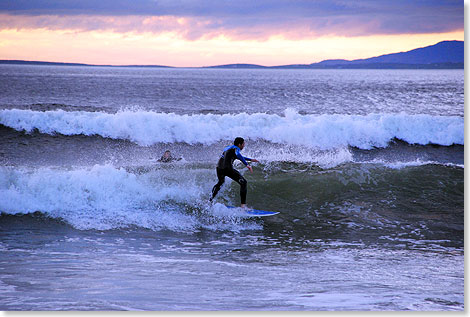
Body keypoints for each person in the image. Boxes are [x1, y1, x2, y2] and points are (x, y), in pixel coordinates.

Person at [210, 137, 259, 208]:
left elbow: (237, 156)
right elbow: (238, 155)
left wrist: (250, 159)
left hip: (219, 168)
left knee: (220, 183)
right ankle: (243, 206)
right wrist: (247, 165)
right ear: (239, 144)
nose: (244, 145)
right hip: (227, 169)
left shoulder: (228, 148)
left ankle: (210, 199)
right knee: (244, 183)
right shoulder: (236, 149)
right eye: (243, 144)